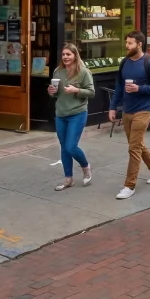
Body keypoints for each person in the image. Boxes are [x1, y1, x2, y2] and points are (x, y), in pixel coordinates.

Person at [108, 31, 150, 199]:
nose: (127, 46)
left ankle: (129, 185)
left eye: (131, 43)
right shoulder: (124, 63)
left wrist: (139, 89)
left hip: (143, 109)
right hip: (127, 109)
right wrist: (113, 107)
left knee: (133, 148)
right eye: (126, 43)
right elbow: (119, 86)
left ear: (139, 44)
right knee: (137, 144)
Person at [48, 42, 94, 190]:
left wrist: (76, 90)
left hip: (77, 113)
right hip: (61, 113)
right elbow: (56, 95)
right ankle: (68, 179)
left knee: (71, 147)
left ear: (75, 55)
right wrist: (51, 92)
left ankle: (86, 167)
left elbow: (91, 92)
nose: (65, 57)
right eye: (63, 54)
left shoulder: (83, 72)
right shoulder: (58, 71)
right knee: (63, 147)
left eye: (68, 54)